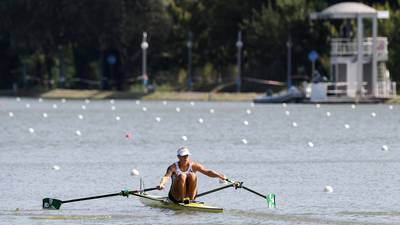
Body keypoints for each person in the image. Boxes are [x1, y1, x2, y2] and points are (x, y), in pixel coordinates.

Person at [157, 146, 226, 203]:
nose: (185, 158)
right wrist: (162, 184)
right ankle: (183, 199)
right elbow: (166, 177)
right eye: (183, 156)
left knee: (192, 175)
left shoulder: (194, 165)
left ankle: (191, 200)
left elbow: (208, 172)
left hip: (190, 195)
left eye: (187, 155)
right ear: (178, 157)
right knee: (182, 176)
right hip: (176, 195)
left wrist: (219, 175)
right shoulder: (173, 167)